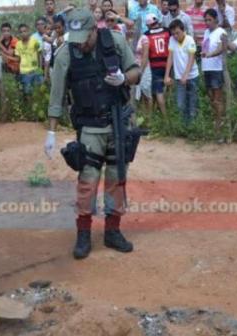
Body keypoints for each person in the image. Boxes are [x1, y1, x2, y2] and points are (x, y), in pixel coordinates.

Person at [46, 9, 141, 259]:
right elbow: (56, 95)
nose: (80, 44)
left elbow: (136, 72)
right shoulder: (66, 53)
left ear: (94, 30)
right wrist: (51, 132)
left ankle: (112, 231)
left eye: (84, 38)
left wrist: (123, 80)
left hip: (118, 124)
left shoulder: (116, 42)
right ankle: (84, 235)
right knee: (87, 181)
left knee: (116, 179)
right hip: (89, 127)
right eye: (75, 38)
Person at [165, 19, 200, 122]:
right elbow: (170, 58)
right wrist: (166, 75)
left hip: (192, 76)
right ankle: (183, 128)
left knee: (192, 104)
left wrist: (186, 75)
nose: (175, 36)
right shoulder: (172, 40)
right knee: (180, 105)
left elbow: (191, 58)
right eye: (173, 34)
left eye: (177, 33)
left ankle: (193, 127)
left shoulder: (190, 40)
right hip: (179, 78)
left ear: (183, 30)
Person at [141, 14, 171, 115]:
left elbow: (145, 53)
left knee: (158, 91)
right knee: (167, 88)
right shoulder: (167, 31)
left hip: (155, 65)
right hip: (168, 63)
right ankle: (167, 112)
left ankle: (165, 117)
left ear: (148, 25)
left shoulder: (147, 34)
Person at [201, 9, 227, 120]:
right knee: (210, 96)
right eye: (205, 20)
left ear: (216, 19)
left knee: (217, 98)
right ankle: (216, 118)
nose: (207, 22)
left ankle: (219, 121)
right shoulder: (206, 32)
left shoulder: (221, 32)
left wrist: (210, 54)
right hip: (206, 68)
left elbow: (221, 48)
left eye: (209, 20)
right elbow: (205, 48)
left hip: (216, 68)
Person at [16, 23, 44, 97]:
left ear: (28, 31)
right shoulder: (18, 44)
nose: (23, 33)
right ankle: (30, 108)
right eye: (21, 32)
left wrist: (40, 68)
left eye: (25, 31)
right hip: (24, 72)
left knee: (39, 91)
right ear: (19, 33)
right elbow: (18, 59)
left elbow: (40, 54)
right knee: (28, 92)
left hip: (35, 70)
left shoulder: (34, 41)